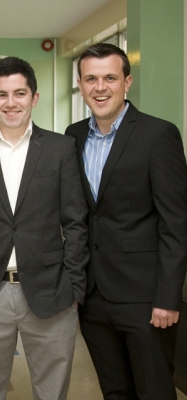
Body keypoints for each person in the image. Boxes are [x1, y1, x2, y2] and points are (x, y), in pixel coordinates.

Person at [0, 56, 89, 400]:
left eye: (20, 93)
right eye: (2, 94)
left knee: (52, 392)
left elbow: (75, 221)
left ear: (34, 97)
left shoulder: (60, 149)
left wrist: (74, 285)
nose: (11, 103)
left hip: (52, 291)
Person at [65, 43, 187, 399]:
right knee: (114, 391)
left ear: (127, 82)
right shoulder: (73, 136)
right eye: (91, 79)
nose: (100, 87)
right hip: (93, 297)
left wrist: (168, 297)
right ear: (80, 85)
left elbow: (176, 223)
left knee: (154, 390)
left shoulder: (158, 135)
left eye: (110, 78)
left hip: (146, 298)